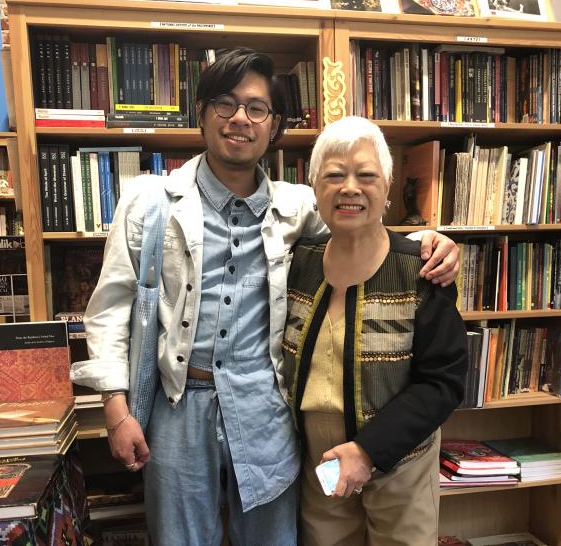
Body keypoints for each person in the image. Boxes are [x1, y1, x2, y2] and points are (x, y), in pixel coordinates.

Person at [70, 49, 460, 546]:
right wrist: (116, 411)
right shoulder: (148, 201)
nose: (239, 119)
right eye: (224, 104)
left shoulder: (297, 206)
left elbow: (361, 227)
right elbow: (108, 313)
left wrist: (430, 240)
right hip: (176, 405)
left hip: (266, 407)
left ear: (273, 125)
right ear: (202, 112)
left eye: (256, 108)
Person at [282, 116, 467, 545]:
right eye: (334, 175)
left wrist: (368, 451)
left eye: (366, 175)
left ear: (387, 186)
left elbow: (443, 381)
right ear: (314, 188)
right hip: (318, 463)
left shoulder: (422, 269)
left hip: (401, 459)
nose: (350, 187)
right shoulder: (297, 263)